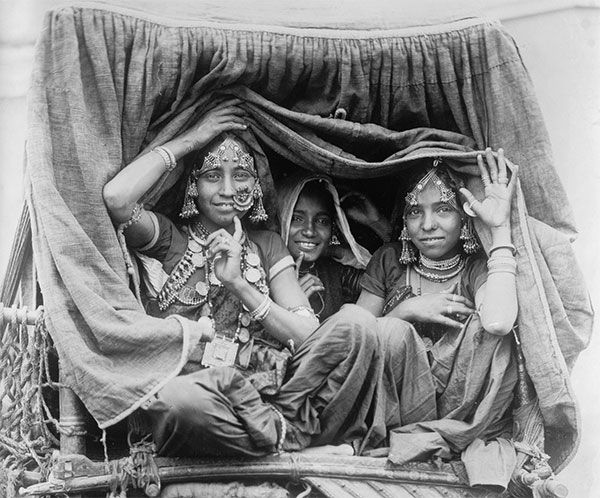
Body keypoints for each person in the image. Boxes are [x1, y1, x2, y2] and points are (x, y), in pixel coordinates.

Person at [102, 101, 387, 457]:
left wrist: (240, 285)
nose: (227, 189)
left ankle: (275, 435)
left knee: (356, 324)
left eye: (240, 175)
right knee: (178, 401)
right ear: (193, 185)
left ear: (255, 185)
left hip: (269, 392)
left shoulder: (267, 244)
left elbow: (307, 335)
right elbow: (116, 199)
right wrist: (192, 139)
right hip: (203, 395)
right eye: (212, 175)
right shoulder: (171, 240)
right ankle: (283, 440)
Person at [356, 150, 520, 482]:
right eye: (415, 211)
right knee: (387, 332)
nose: (428, 225)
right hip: (392, 410)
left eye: (443, 209)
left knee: (488, 332)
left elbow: (500, 322)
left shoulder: (475, 269)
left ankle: (433, 437)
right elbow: (351, 338)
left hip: (458, 415)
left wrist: (500, 229)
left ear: (465, 217)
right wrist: (405, 311)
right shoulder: (389, 260)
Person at [277, 174, 386, 321]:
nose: (309, 231)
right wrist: (293, 307)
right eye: (297, 218)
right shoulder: (260, 274)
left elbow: (389, 284)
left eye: (322, 221)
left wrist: (377, 223)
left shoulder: (335, 273)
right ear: (281, 219)